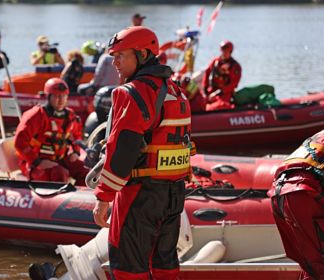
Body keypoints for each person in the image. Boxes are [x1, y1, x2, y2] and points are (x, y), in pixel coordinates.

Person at [92, 26, 194, 279]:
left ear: (142, 54)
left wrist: (104, 197)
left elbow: (123, 149)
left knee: (128, 266)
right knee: (164, 264)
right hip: (174, 195)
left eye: (120, 56)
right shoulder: (176, 91)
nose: (114, 62)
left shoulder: (131, 93)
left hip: (140, 194)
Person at [268, 130, 324, 279]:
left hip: (278, 194)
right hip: (303, 194)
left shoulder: (320, 135)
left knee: (312, 265)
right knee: (319, 266)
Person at [14, 78, 88, 186]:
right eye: (57, 96)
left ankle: (79, 199)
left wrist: (75, 152)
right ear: (48, 97)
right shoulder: (35, 116)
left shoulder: (70, 116)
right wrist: (37, 162)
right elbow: (19, 143)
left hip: (60, 159)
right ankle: (60, 201)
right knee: (59, 173)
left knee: (86, 171)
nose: (61, 100)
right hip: (34, 163)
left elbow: (77, 136)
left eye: (64, 96)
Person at [202, 40, 242, 111]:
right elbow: (206, 74)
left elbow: (233, 84)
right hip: (211, 91)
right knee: (199, 101)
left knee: (218, 106)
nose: (224, 52)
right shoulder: (215, 62)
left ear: (230, 51)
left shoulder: (235, 67)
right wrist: (205, 91)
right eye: (223, 50)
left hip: (224, 94)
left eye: (226, 50)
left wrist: (217, 93)